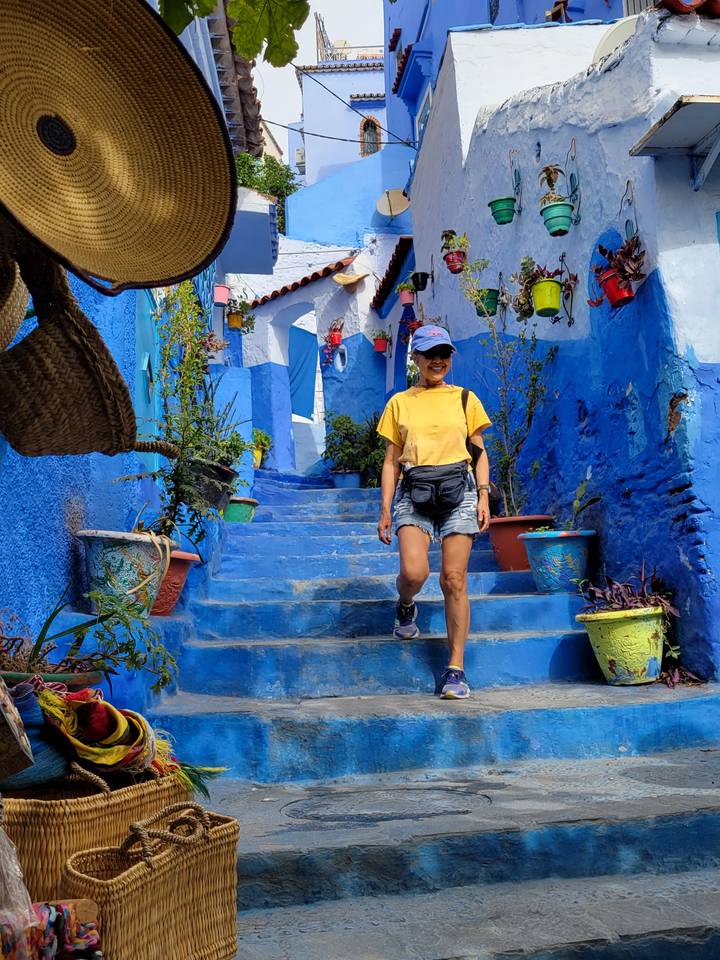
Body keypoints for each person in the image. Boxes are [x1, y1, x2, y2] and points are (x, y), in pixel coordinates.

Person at [376, 325, 492, 699]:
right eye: (430, 354)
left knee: (453, 579)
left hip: (461, 492)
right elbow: (392, 461)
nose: (438, 360)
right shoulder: (400, 403)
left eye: (444, 353)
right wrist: (385, 510)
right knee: (414, 572)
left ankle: (455, 670)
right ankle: (406, 604)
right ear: (416, 359)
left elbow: (478, 452)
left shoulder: (465, 399)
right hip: (415, 491)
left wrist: (485, 495)